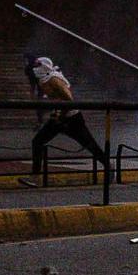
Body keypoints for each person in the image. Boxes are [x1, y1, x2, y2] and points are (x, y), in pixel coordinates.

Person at [22, 57, 111, 187]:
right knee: (38, 141)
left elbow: (69, 99)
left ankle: (108, 166)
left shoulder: (53, 79)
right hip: (58, 117)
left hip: (72, 118)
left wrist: (60, 115)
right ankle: (35, 176)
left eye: (37, 66)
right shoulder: (43, 80)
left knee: (88, 143)